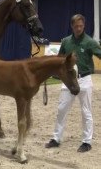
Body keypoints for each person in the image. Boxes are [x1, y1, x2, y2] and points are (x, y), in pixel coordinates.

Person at [45, 14, 101, 152]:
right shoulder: (66, 42)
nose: (78, 28)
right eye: (76, 26)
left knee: (86, 111)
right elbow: (60, 58)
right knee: (61, 109)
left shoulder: (90, 42)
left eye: (81, 26)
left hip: (84, 80)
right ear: (72, 26)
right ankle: (56, 138)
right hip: (69, 80)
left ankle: (87, 142)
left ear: (84, 26)